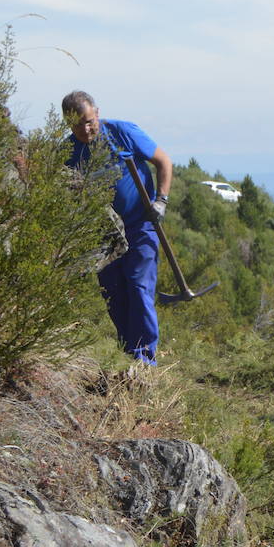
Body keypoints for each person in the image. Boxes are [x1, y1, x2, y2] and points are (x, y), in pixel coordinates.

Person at [62, 91, 172, 365]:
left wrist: (161, 201)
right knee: (113, 293)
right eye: (77, 125)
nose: (85, 130)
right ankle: (129, 352)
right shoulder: (66, 152)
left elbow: (163, 161)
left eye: (89, 121)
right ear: (67, 123)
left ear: (97, 113)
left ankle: (145, 358)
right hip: (102, 235)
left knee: (138, 286)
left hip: (140, 223)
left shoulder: (121, 132)